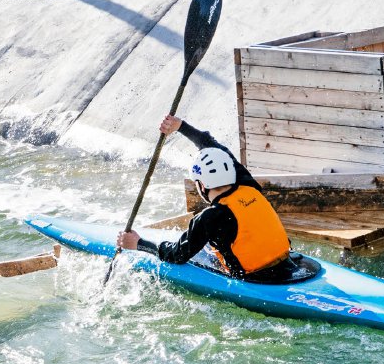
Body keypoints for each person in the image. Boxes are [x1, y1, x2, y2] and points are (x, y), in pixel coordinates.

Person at [116, 115, 296, 283]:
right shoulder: (249, 185)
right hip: (290, 265)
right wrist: (181, 126)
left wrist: (139, 244)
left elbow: (176, 255)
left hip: (257, 280)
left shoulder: (209, 218)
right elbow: (214, 147)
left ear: (202, 186)